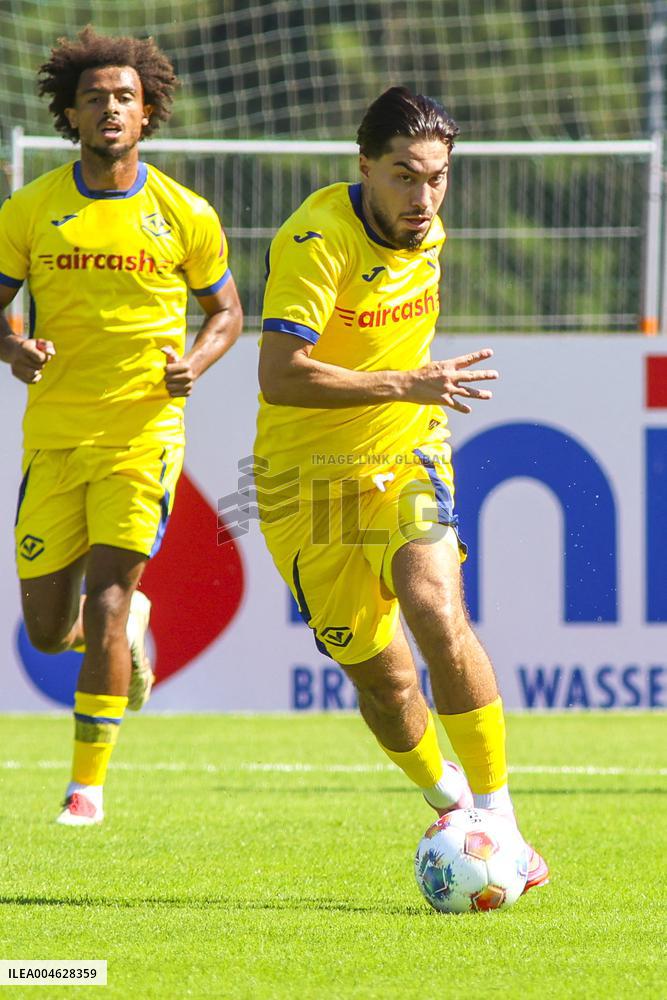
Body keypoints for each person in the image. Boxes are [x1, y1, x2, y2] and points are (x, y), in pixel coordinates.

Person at [255, 86, 547, 891]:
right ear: (364, 168)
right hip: (303, 486)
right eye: (403, 176)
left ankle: (500, 821)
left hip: (407, 455)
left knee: (434, 604)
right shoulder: (316, 239)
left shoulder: (428, 229)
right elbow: (279, 377)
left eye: (436, 177)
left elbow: (399, 371)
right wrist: (400, 381)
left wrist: (405, 397)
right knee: (382, 684)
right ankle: (449, 801)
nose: (422, 197)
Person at [0, 27, 243, 826]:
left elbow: (227, 312)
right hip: (56, 437)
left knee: (107, 597)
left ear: (148, 114)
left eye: (126, 98)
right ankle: (132, 630)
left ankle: (86, 789)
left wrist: (195, 364)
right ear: (69, 112)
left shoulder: (185, 213)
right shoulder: (32, 210)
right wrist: (13, 346)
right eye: (96, 98)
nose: (112, 108)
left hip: (144, 435)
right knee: (46, 631)